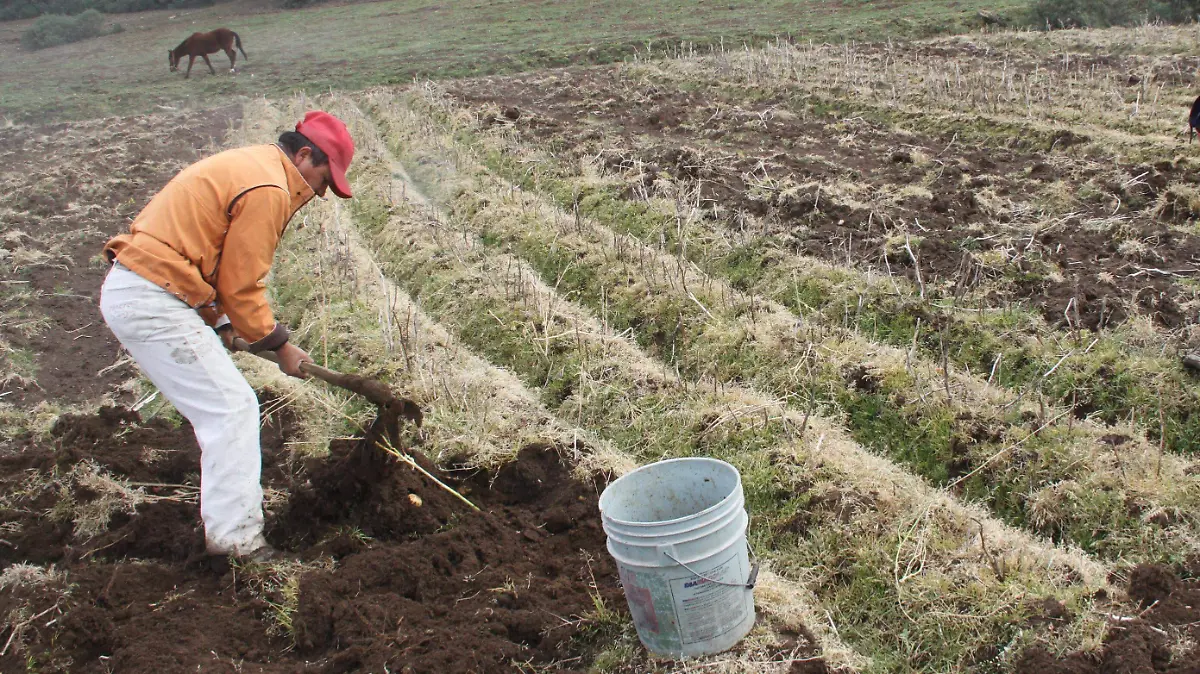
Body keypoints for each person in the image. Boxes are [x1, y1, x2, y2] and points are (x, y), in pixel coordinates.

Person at [99, 111, 355, 561]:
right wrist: (279, 345)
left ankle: (233, 534)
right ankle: (238, 545)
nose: (319, 192)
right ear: (303, 153)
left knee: (224, 407)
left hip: (151, 287)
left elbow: (203, 261)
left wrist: (220, 324)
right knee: (231, 409)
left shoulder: (252, 165)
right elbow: (241, 284)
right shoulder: (269, 188)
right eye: (322, 178)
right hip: (152, 298)